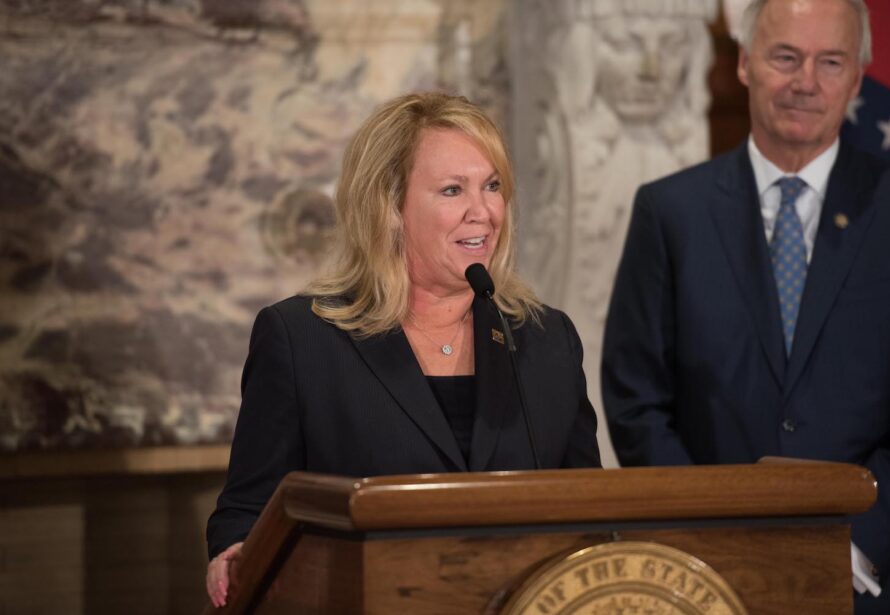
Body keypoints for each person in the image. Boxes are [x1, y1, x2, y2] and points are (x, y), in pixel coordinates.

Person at [206, 92, 601, 607]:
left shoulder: (547, 341)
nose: (482, 212)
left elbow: (590, 510)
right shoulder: (302, 339)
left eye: (493, 186)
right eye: (453, 190)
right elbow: (248, 510)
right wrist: (235, 554)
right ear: (390, 207)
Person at [601, 0, 890, 612]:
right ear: (745, 62)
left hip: (876, 580)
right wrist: (714, 532)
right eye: (785, 57)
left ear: (857, 77)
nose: (806, 82)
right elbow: (635, 399)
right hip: (706, 578)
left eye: (831, 61)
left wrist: (862, 541)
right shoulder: (670, 214)